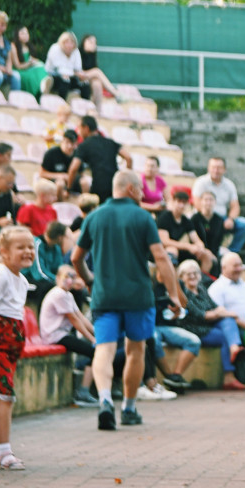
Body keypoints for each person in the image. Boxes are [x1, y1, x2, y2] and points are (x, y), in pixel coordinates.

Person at [71, 170, 181, 431]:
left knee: (104, 349)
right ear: (131, 189)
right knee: (136, 350)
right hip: (138, 297)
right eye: (141, 190)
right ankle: (129, 408)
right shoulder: (143, 217)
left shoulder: (94, 216)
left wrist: (89, 280)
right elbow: (161, 258)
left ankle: (105, 400)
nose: (143, 194)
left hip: (104, 295)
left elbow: (76, 258)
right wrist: (174, 294)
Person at [0, 226, 34, 470]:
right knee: (4, 395)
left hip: (8, 343)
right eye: (21, 247)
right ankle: (3, 450)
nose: (28, 251)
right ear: (4, 252)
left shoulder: (20, 279)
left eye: (30, 247)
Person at [175, 259, 245, 391]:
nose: (192, 276)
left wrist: (222, 313)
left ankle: (234, 347)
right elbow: (200, 315)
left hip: (207, 326)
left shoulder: (201, 289)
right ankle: (229, 376)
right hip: (194, 329)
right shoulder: (183, 294)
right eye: (188, 274)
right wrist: (222, 313)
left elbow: (215, 307)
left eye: (195, 273)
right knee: (225, 333)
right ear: (181, 277)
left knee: (228, 321)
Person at [39, 265, 98, 407]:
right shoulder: (59, 294)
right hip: (54, 336)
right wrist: (92, 340)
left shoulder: (68, 295)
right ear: (58, 278)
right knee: (93, 351)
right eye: (66, 276)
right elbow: (74, 320)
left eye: (72, 276)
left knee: (94, 350)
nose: (69, 280)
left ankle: (86, 390)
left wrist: (97, 333)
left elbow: (81, 317)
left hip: (62, 334)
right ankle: (83, 393)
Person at [190, 157, 245, 254]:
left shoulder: (229, 184)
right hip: (204, 217)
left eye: (219, 168)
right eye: (213, 167)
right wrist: (214, 219)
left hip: (223, 218)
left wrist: (231, 219)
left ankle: (232, 252)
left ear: (224, 169)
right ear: (208, 168)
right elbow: (197, 203)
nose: (216, 170)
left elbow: (235, 206)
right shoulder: (201, 182)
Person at [68, 116, 132, 205]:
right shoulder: (109, 142)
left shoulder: (84, 145)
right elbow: (128, 158)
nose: (78, 132)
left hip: (99, 185)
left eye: (79, 128)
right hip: (115, 184)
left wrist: (68, 188)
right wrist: (126, 177)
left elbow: (73, 169)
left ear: (86, 128)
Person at [157, 190, 216, 273]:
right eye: (179, 202)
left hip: (179, 248)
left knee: (206, 254)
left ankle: (202, 281)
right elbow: (164, 241)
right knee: (172, 250)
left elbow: (196, 239)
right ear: (173, 202)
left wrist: (200, 248)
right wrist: (188, 246)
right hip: (161, 249)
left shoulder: (186, 220)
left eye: (184, 203)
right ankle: (172, 281)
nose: (181, 205)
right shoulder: (164, 217)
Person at [23, 220, 66, 305]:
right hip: (29, 278)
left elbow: (60, 268)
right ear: (60, 237)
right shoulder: (37, 244)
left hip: (45, 277)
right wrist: (58, 280)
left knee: (73, 289)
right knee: (47, 287)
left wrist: (65, 279)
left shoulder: (56, 247)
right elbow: (39, 273)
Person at [44, 31, 90, 102]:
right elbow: (60, 70)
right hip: (54, 76)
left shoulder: (75, 51)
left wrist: (81, 76)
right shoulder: (55, 49)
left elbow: (78, 68)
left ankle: (86, 104)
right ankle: (61, 103)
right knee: (65, 80)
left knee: (85, 83)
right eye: (66, 42)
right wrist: (76, 73)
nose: (69, 45)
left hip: (70, 77)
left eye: (72, 42)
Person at [78, 34, 120, 107]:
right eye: (91, 42)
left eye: (95, 43)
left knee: (97, 83)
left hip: (87, 77)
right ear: (84, 42)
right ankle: (115, 93)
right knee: (97, 71)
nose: (93, 45)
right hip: (78, 76)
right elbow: (78, 70)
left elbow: (92, 70)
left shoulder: (92, 54)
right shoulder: (78, 52)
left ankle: (97, 109)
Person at [10, 25, 51, 98]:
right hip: (20, 70)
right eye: (23, 33)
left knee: (41, 67)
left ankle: (44, 86)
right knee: (31, 77)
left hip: (28, 68)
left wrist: (36, 62)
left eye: (27, 33)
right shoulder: (13, 46)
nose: (26, 35)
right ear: (17, 35)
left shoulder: (29, 46)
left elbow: (33, 60)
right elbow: (18, 66)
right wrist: (29, 63)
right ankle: (39, 92)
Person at [41, 130, 82, 200]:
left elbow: (81, 173)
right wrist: (60, 175)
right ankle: (59, 205)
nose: (69, 146)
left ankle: (85, 206)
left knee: (86, 182)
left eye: (72, 143)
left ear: (76, 144)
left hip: (72, 182)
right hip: (55, 181)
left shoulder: (78, 155)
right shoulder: (51, 153)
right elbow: (42, 173)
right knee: (60, 184)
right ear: (62, 141)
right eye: (67, 142)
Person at [190, 191, 226, 259]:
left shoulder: (219, 220)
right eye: (206, 200)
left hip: (215, 252)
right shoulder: (195, 218)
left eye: (211, 200)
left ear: (215, 202)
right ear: (201, 201)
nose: (208, 202)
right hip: (199, 251)